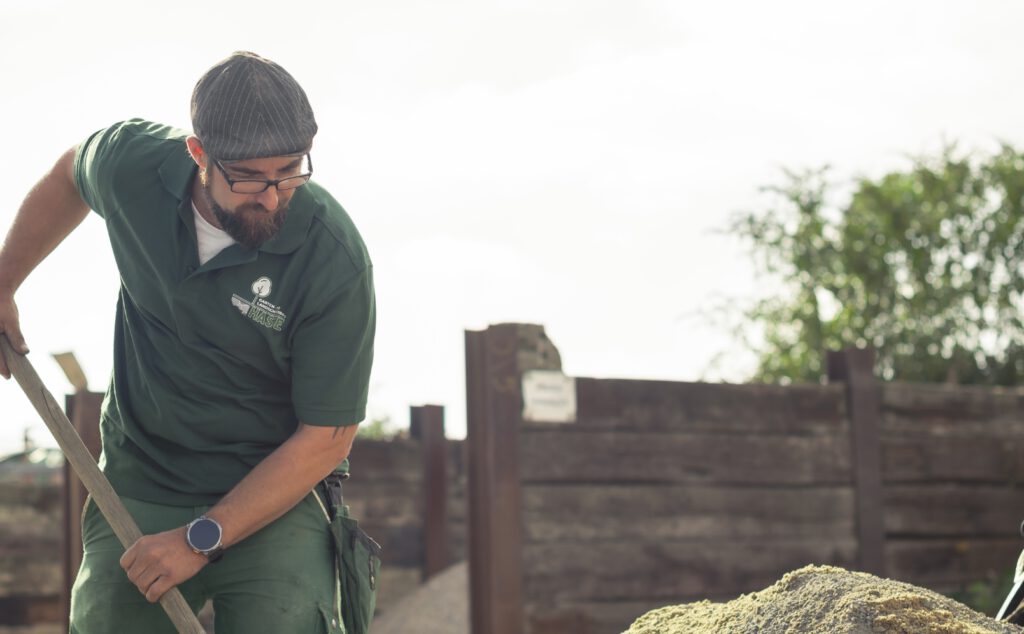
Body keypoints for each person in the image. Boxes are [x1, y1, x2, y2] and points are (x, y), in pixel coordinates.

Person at [0, 51, 375, 632]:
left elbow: (327, 437)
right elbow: (68, 177)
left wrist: (202, 538)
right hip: (140, 480)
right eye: (249, 176)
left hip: (275, 495)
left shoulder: (333, 257)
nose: (273, 197)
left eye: (291, 171)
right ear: (198, 154)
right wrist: (3, 285)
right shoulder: (131, 161)